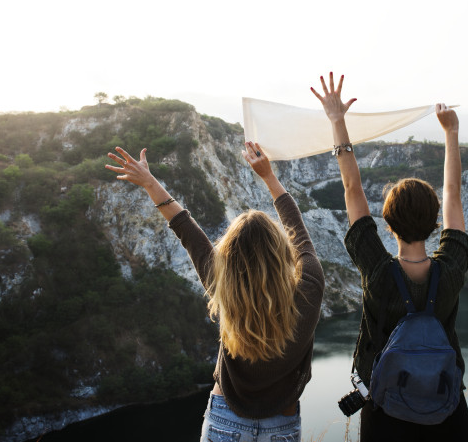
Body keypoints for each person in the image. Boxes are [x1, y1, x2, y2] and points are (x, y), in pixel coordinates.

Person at [105, 142, 324, 442]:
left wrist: (149, 182)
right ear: (281, 252)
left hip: (226, 419)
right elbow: (298, 231)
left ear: (229, 257)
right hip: (281, 425)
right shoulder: (310, 288)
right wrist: (269, 177)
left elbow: (184, 227)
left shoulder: (223, 286)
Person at [311, 72, 468, 442]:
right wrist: (451, 133)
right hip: (446, 407)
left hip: (385, 410)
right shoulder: (450, 272)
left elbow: (352, 189)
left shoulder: (378, 273)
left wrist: (337, 122)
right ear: (435, 223)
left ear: (388, 223)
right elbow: (453, 195)